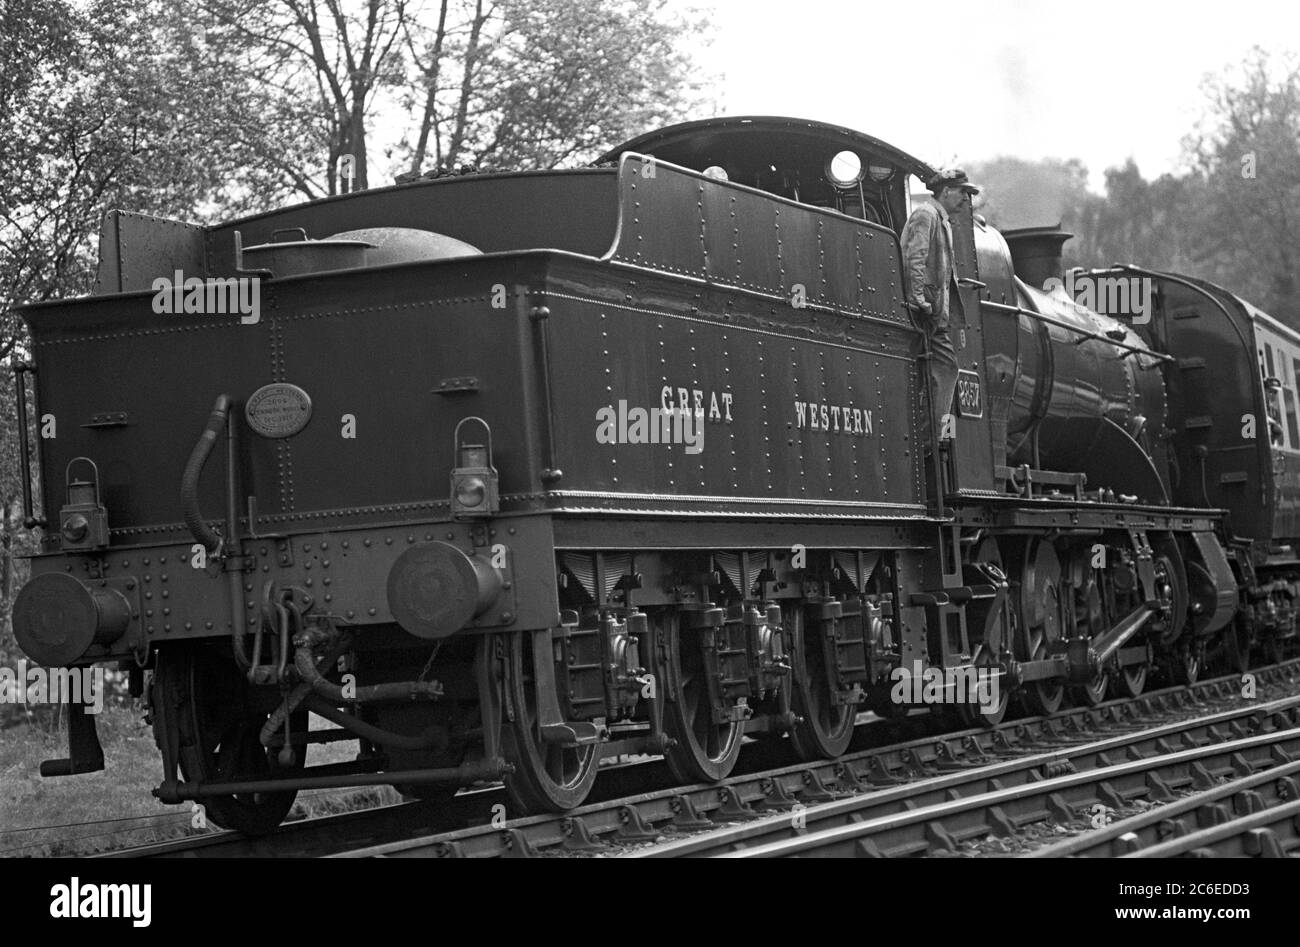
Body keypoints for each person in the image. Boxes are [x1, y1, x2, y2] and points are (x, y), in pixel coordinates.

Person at [900, 168, 980, 449]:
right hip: (927, 313)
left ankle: (934, 435)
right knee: (945, 368)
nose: (966, 200)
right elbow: (915, 256)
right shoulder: (926, 215)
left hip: (936, 314)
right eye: (963, 193)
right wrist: (917, 297)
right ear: (946, 191)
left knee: (942, 370)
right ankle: (929, 438)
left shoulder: (940, 219)